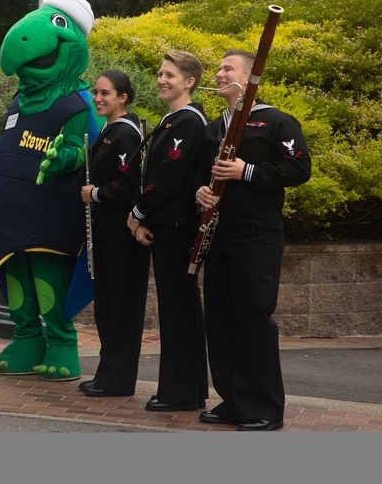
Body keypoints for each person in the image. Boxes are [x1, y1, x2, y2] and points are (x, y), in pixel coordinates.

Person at [195, 49, 311, 431]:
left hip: (257, 235)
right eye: (218, 67)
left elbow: (299, 169)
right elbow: (200, 175)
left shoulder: (275, 121)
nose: (219, 73)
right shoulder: (214, 128)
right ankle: (233, 399)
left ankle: (262, 407)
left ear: (249, 78)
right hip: (220, 235)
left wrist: (247, 171)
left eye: (228, 68)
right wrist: (201, 193)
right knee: (222, 319)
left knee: (253, 319)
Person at [127, 50, 208, 412]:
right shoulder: (173, 118)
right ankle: (182, 389)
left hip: (176, 226)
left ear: (189, 82)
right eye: (160, 73)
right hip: (167, 223)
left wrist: (138, 213)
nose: (161, 79)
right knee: (176, 308)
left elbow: (168, 176)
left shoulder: (188, 121)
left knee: (179, 309)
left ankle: (180, 392)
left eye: (170, 75)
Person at [78, 69, 149, 397]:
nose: (98, 98)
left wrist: (94, 193)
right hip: (106, 234)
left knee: (121, 309)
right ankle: (108, 374)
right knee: (107, 307)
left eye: (105, 93)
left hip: (122, 236)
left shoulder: (125, 133)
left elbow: (126, 186)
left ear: (123, 97)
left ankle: (118, 379)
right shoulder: (108, 130)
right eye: (95, 92)